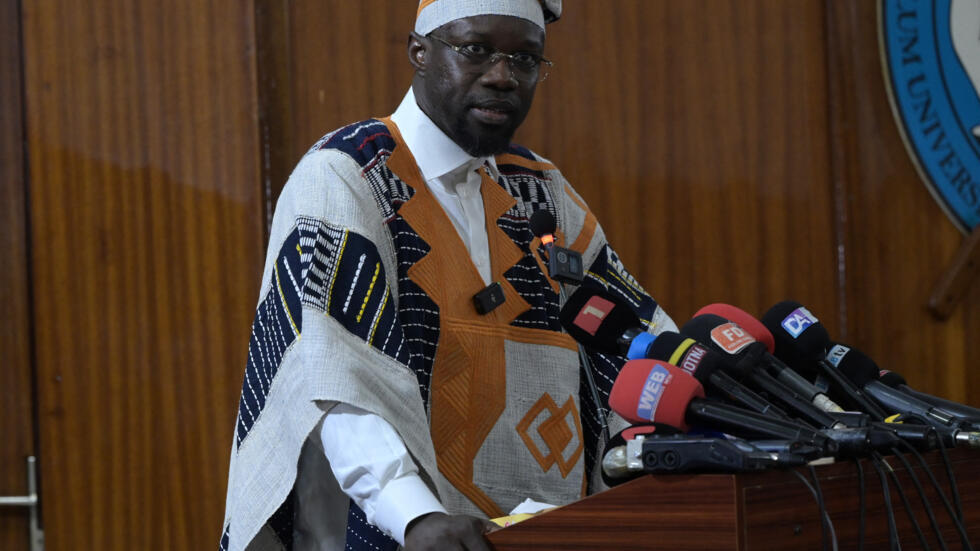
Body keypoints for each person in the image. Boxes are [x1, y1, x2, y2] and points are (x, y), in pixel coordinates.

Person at [220, 1, 676, 549]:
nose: (503, 75)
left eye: (525, 58)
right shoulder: (346, 175)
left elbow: (632, 340)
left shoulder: (539, 189)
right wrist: (414, 515)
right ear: (419, 52)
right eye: (476, 49)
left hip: (545, 533)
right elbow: (333, 380)